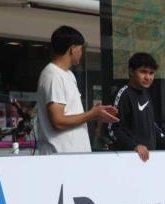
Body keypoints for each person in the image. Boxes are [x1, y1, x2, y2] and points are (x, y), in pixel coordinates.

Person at [36, 26, 118, 155]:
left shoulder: (68, 74)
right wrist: (91, 114)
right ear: (72, 49)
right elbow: (58, 121)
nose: (82, 52)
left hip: (73, 156)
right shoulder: (52, 75)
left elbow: (70, 115)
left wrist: (97, 114)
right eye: (81, 48)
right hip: (60, 157)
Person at [108, 52, 165, 161]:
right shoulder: (123, 95)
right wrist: (134, 146)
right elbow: (113, 130)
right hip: (128, 160)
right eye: (143, 72)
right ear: (131, 71)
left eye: (151, 73)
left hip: (147, 159)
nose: (148, 77)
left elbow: (152, 127)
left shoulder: (146, 94)